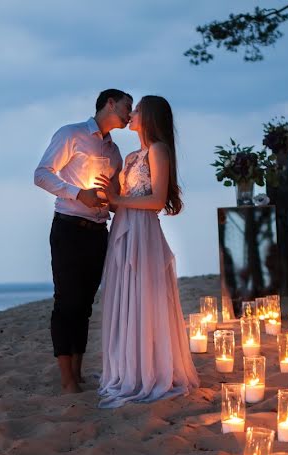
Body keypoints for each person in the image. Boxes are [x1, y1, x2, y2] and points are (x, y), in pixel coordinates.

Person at [94, 95, 199, 408]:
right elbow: (119, 199)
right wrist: (108, 196)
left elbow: (155, 201)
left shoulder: (158, 150)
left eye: (137, 109)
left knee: (145, 295)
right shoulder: (130, 157)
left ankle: (150, 369)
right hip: (123, 230)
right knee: (126, 294)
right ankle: (129, 369)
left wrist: (118, 200)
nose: (132, 113)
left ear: (150, 116)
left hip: (144, 231)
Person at [34, 89, 133, 394]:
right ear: (110, 103)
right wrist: (79, 194)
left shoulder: (115, 153)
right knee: (66, 302)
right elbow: (41, 175)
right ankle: (66, 380)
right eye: (127, 108)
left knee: (86, 305)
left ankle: (77, 373)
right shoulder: (71, 134)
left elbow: (114, 201)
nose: (130, 115)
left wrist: (126, 202)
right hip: (68, 229)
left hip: (98, 233)